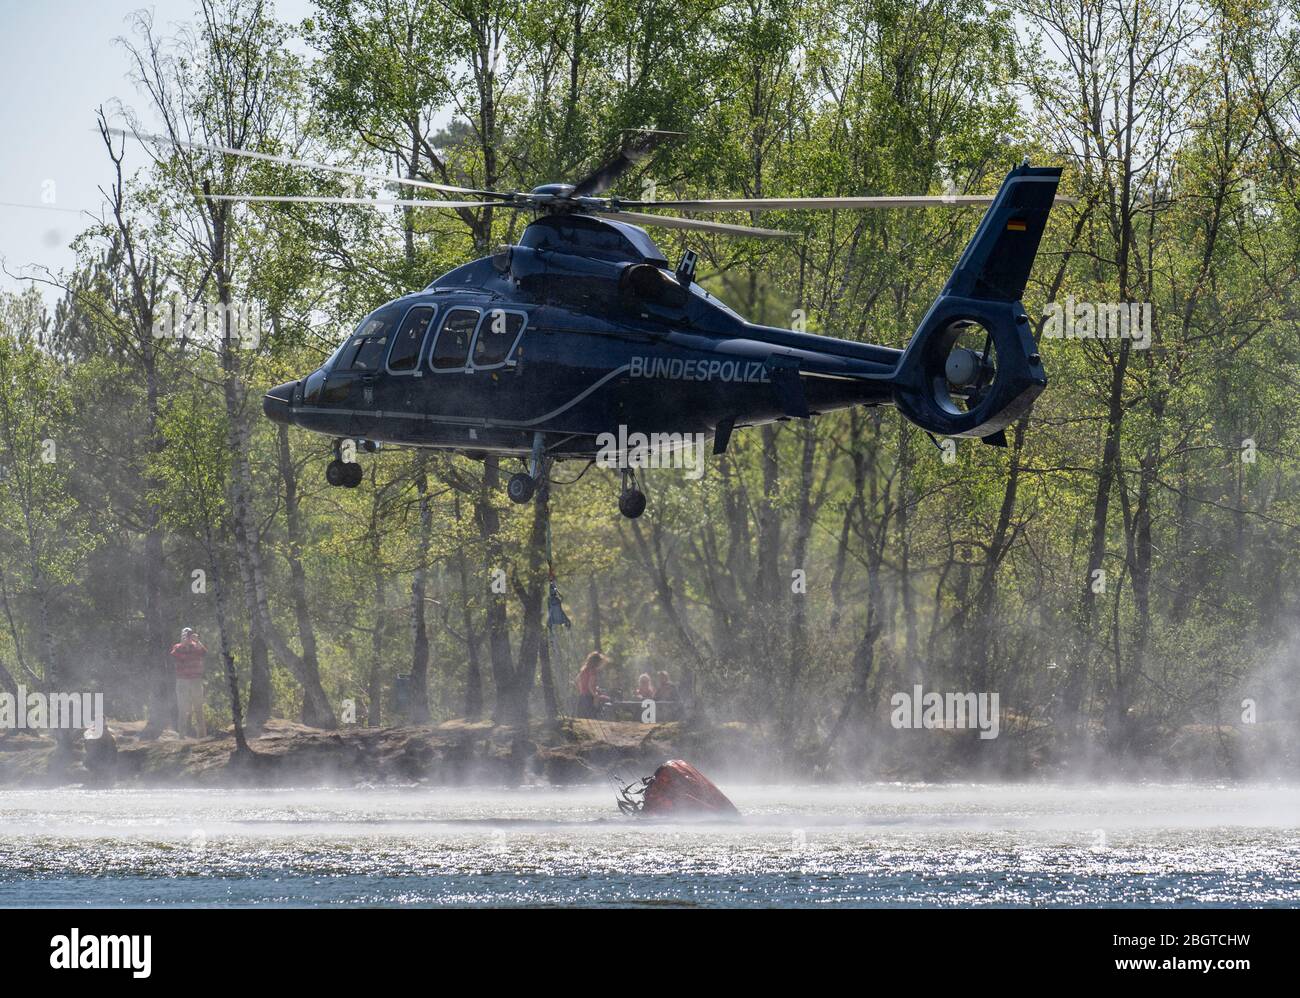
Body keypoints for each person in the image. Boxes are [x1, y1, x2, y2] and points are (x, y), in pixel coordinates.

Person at [170, 627, 208, 738]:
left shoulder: (197, 646)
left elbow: (204, 653)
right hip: (182, 681)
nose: (188, 638)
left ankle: (202, 736)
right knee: (182, 709)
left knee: (198, 708)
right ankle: (181, 736)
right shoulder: (177, 647)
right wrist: (182, 645)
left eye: (190, 635)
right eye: (186, 635)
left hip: (196, 680)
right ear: (182, 636)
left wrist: (197, 641)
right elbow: (174, 656)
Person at [575, 651, 611, 718]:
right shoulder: (593, 671)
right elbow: (590, 685)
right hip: (589, 698)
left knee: (582, 719)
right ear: (597, 662)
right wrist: (595, 696)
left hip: (582, 698)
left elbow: (577, 681)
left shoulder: (584, 670)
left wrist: (581, 691)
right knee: (592, 717)